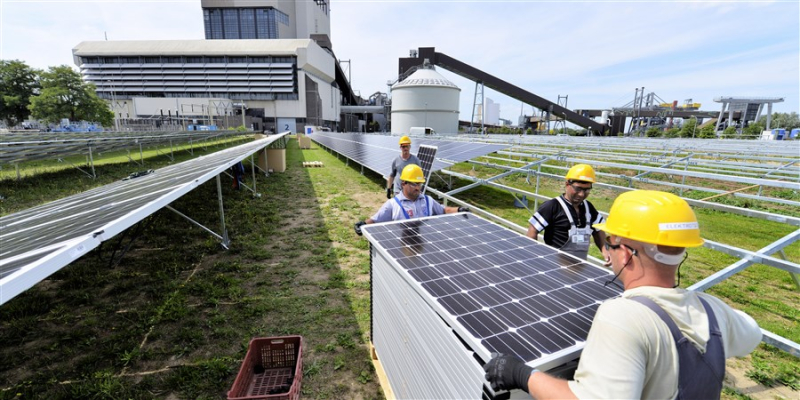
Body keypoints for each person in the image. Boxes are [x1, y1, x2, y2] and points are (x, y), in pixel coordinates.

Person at [484, 190, 762, 399]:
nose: (607, 250)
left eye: (611, 244)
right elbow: (753, 335)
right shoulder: (714, 310)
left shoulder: (623, 317)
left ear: (626, 252)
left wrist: (520, 374)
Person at [355, 164, 468, 235]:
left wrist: (459, 209)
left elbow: (443, 210)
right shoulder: (393, 204)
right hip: (402, 246)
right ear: (404, 183)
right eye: (414, 184)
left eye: (419, 184)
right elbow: (376, 220)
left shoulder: (428, 200)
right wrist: (363, 224)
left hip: (427, 245)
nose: (418, 188)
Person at [526, 164, 607, 262]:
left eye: (586, 190)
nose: (581, 194)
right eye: (578, 189)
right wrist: (534, 256)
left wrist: (605, 251)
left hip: (579, 265)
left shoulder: (588, 207)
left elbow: (598, 230)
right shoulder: (552, 206)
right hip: (554, 265)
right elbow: (532, 231)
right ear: (567, 184)